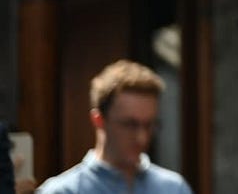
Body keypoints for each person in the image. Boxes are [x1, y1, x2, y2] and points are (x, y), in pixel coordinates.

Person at [38, 60, 191, 193]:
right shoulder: (64, 191)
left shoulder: (174, 188)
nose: (141, 137)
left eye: (149, 125)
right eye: (130, 125)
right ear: (98, 120)